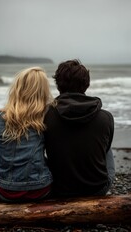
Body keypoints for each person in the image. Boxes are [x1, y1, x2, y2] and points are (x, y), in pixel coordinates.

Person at [0, 67, 53, 202]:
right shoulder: (47, 117)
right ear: (43, 91)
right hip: (40, 191)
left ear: (18, 88)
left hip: (4, 193)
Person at [44, 59, 115, 197]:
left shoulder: (45, 116)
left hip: (58, 189)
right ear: (86, 85)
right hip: (97, 189)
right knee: (106, 144)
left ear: (58, 85)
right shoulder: (106, 117)